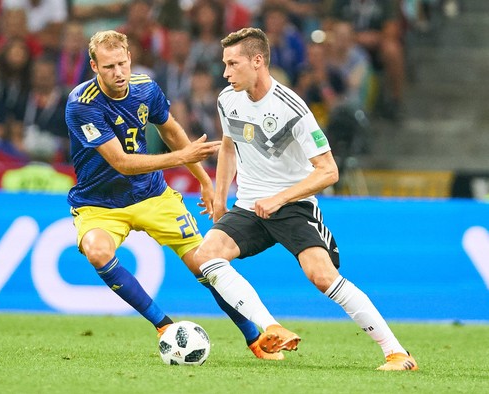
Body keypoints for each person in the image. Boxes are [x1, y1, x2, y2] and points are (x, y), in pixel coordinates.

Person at [192, 27, 418, 371]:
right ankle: (271, 327)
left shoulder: (291, 108)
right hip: (249, 206)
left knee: (322, 276)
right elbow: (228, 146)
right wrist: (220, 197)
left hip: (293, 206)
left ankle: (397, 353)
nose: (225, 73)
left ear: (257, 61)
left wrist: (280, 199)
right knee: (206, 256)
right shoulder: (228, 100)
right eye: (224, 64)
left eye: (232, 64)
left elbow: (329, 171)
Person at [65, 30, 281, 360]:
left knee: (205, 264)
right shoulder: (82, 105)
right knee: (97, 252)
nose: (118, 73)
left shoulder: (145, 89)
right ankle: (164, 326)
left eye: (122, 63)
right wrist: (180, 158)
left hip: (152, 195)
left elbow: (172, 132)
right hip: (99, 203)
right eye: (108, 67)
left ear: (130, 58)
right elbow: (122, 163)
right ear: (94, 65)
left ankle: (255, 338)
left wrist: (205, 181)